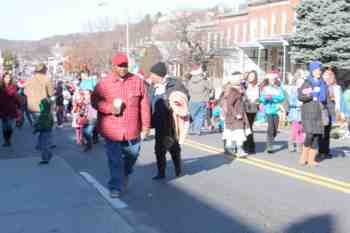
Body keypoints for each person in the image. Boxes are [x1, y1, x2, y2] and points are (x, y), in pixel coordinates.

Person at [91, 53, 151, 198]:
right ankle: (115, 186)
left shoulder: (137, 81)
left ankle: (124, 173)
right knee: (115, 159)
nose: (123, 68)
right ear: (114, 66)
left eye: (125, 65)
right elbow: (94, 101)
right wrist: (109, 108)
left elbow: (144, 105)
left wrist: (146, 126)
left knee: (133, 154)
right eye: (120, 66)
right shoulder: (104, 83)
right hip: (111, 129)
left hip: (132, 128)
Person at [149, 62, 190, 180]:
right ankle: (161, 172)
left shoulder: (175, 84)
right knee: (158, 149)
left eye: (153, 74)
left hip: (171, 123)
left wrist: (172, 100)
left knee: (173, 147)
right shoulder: (153, 87)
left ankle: (177, 168)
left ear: (159, 75)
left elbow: (185, 96)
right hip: (158, 122)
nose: (151, 77)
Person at [298, 61, 328, 166]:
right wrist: (312, 94)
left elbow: (325, 98)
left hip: (319, 112)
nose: (319, 72)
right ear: (312, 71)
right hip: (308, 112)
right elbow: (300, 96)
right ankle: (304, 156)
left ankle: (311, 159)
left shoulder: (323, 83)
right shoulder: (307, 82)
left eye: (320, 70)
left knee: (316, 136)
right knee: (310, 134)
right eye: (316, 70)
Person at [24, 64, 55, 149]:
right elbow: (51, 93)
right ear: (44, 70)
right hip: (43, 106)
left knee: (40, 125)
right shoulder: (47, 79)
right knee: (46, 125)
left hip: (31, 106)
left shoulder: (29, 80)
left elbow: (25, 92)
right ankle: (44, 144)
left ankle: (41, 143)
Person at [221, 81, 251, 158]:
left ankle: (230, 148)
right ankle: (238, 149)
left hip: (237, 116)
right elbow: (229, 104)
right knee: (238, 133)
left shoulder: (239, 93)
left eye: (242, 86)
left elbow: (242, 104)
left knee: (232, 133)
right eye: (239, 85)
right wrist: (236, 114)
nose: (241, 87)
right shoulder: (233, 92)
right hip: (235, 117)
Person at [259, 73, 285, 153]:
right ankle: (269, 146)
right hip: (268, 110)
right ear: (268, 80)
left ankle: (271, 139)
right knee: (270, 128)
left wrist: (272, 97)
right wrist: (266, 98)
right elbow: (261, 99)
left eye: (273, 79)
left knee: (275, 129)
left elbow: (282, 98)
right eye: (270, 80)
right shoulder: (265, 88)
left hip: (276, 110)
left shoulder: (279, 88)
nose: (272, 81)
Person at [187, 65, 213, 135]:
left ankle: (191, 128)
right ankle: (197, 130)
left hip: (192, 100)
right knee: (200, 116)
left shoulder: (190, 81)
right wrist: (208, 80)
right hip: (202, 100)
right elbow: (211, 87)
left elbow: (188, 90)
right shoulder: (204, 81)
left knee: (193, 116)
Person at [319, 68, 339, 159]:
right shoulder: (321, 85)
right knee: (322, 132)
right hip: (322, 111)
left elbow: (336, 100)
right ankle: (321, 151)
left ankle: (326, 151)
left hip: (330, 110)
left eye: (330, 74)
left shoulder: (334, 86)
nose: (328, 76)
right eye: (326, 74)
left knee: (327, 132)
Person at [0, 72, 21, 147]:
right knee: (4, 127)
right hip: (2, 110)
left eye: (8, 78)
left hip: (11, 110)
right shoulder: (1, 88)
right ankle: (6, 141)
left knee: (9, 126)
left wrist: (19, 106)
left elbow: (17, 99)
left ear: (10, 79)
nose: (7, 79)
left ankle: (8, 140)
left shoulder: (13, 87)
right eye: (5, 78)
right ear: (3, 78)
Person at [243, 70, 260, 154]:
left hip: (253, 108)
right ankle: (248, 145)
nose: (251, 77)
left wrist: (258, 101)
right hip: (244, 107)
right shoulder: (244, 85)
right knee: (246, 127)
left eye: (253, 76)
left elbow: (260, 97)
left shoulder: (257, 86)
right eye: (250, 76)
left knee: (249, 127)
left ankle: (249, 145)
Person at [33, 98, 54, 165]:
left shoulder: (45, 114)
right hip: (46, 131)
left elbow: (43, 124)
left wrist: (37, 129)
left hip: (45, 131)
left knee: (44, 145)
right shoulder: (47, 113)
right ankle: (47, 154)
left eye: (41, 104)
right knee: (43, 144)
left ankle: (46, 158)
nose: (40, 105)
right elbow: (50, 122)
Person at [287, 76, 305, 153]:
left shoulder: (305, 91)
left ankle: (299, 145)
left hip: (303, 114)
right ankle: (290, 143)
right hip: (295, 114)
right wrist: (298, 104)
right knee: (295, 130)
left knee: (301, 130)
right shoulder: (294, 91)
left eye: (302, 83)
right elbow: (291, 102)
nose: (301, 84)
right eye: (299, 82)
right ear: (297, 83)